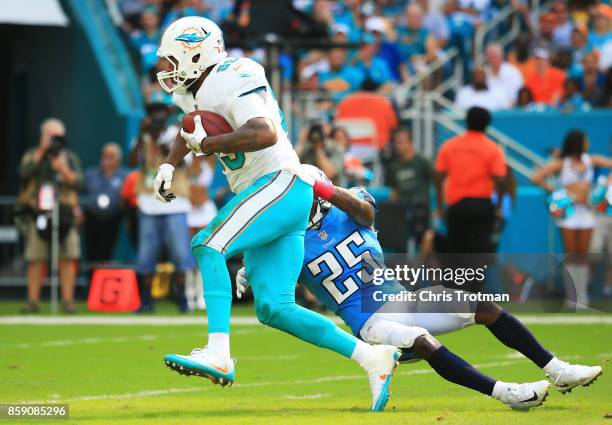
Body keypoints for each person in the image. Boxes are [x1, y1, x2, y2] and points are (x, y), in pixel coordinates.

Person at [153, 16, 399, 411]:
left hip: (281, 182)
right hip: (268, 193)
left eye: (171, 59)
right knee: (274, 308)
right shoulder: (194, 92)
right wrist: (169, 164)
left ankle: (218, 352)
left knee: (207, 244)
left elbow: (264, 131)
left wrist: (210, 143)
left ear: (196, 53)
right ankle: (373, 358)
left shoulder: (234, 73)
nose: (165, 69)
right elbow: (191, 130)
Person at [236, 165, 603, 410]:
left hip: (401, 298)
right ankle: (505, 393)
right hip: (369, 321)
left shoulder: (350, 205)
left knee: (485, 307)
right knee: (423, 340)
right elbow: (267, 268)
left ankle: (558, 369)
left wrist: (324, 188)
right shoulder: (289, 238)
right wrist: (252, 270)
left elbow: (365, 213)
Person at [531, 130, 612, 308]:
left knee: (583, 255)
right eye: (585, 140)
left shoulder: (591, 160)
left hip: (586, 212)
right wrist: (558, 193)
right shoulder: (562, 163)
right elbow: (536, 177)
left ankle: (582, 297)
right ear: (578, 143)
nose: (588, 143)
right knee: (571, 254)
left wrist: (605, 183)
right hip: (569, 212)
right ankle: (572, 298)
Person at [128, 103, 193, 312]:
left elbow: (181, 163)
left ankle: (182, 297)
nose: (157, 118)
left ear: (167, 116)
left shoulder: (178, 134)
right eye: (153, 114)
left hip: (175, 203)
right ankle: (146, 300)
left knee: (181, 254)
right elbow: (131, 161)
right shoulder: (144, 137)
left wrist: (160, 140)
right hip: (149, 203)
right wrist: (141, 136)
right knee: (146, 255)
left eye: (160, 114)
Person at [17, 118, 83, 314]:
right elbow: (23, 174)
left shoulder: (69, 157)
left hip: (64, 212)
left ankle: (68, 301)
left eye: (57, 137)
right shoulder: (32, 155)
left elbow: (79, 182)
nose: (54, 141)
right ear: (42, 136)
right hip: (38, 211)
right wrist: (41, 152)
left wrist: (61, 169)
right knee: (35, 257)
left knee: (68, 256)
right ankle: (33, 301)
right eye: (50, 136)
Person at [434, 107, 506, 254]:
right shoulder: (493, 148)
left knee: (456, 251)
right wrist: (498, 207)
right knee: (480, 252)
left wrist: (441, 207)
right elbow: (501, 180)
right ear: (487, 125)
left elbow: (438, 178)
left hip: (457, 206)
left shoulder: (449, 145)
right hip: (483, 206)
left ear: (466, 122)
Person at [384, 128, 433, 252]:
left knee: (424, 239)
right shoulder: (393, 166)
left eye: (401, 142)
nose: (398, 146)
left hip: (421, 207)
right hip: (402, 208)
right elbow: (393, 189)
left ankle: (422, 267)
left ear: (410, 143)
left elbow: (434, 180)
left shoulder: (422, 161)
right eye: (396, 142)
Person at [83, 143, 128, 264]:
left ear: (118, 159)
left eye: (111, 156)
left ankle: (104, 276)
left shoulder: (125, 176)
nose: (106, 160)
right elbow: (81, 195)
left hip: (113, 220)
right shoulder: (90, 175)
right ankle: (92, 279)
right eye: (104, 156)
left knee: (106, 253)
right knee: (91, 254)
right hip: (91, 220)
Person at [484, 43, 524, 108]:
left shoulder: (513, 72)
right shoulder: (484, 73)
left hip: (510, 110)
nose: (493, 60)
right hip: (489, 109)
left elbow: (520, 94)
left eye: (495, 57)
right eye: (490, 57)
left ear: (502, 57)